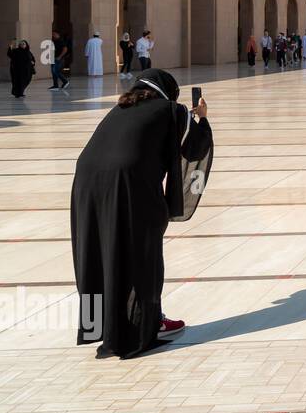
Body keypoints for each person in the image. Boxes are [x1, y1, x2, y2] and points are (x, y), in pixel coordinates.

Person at [71, 68, 213, 359]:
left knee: (100, 253)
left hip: (85, 183)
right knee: (141, 253)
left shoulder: (120, 108)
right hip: (129, 184)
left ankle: (100, 326)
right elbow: (196, 147)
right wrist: (202, 117)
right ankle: (144, 327)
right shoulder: (172, 110)